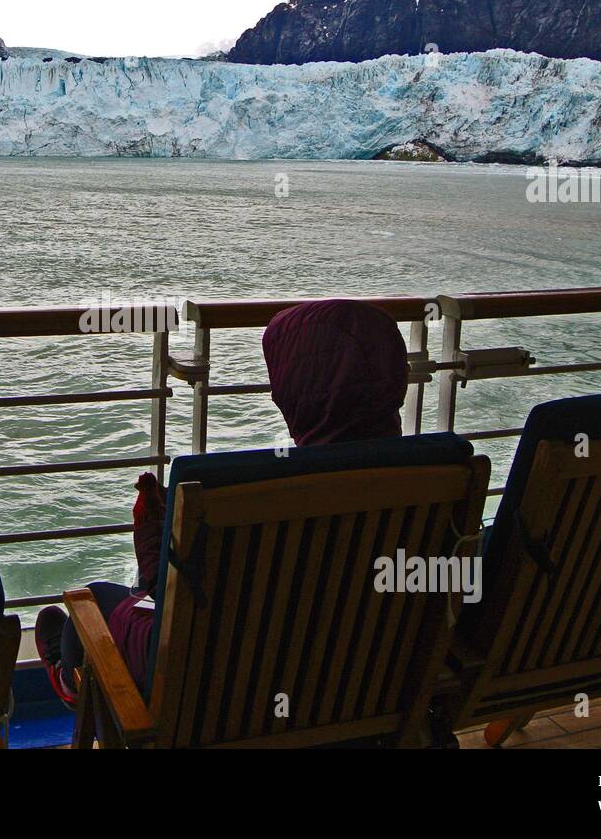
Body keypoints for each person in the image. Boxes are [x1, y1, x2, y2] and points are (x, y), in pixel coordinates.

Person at [33, 298, 409, 705]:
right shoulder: (437, 475)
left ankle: (70, 680)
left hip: (232, 688)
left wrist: (154, 538)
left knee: (92, 607)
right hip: (367, 683)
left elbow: (187, 608)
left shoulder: (256, 497)